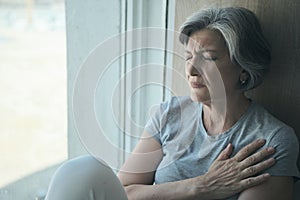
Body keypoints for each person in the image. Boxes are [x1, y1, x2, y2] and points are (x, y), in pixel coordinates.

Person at [45, 6, 300, 200]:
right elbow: (125, 192)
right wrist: (202, 186)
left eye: (208, 58)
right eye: (188, 57)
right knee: (84, 170)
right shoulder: (170, 114)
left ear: (243, 68)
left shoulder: (271, 140)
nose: (191, 69)